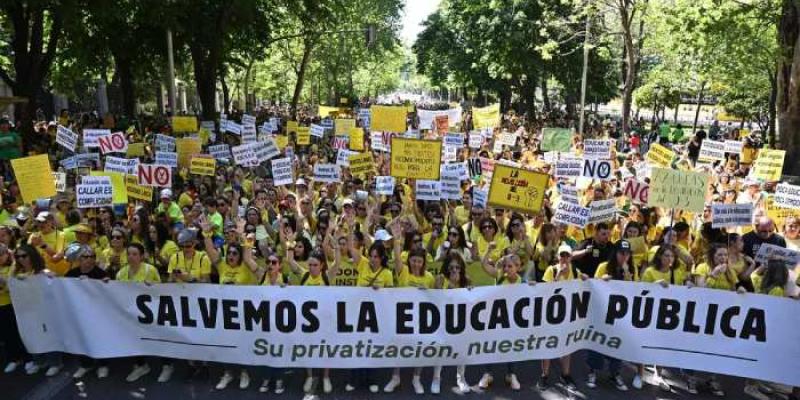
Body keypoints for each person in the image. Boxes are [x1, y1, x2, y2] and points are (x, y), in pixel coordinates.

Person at [537, 244, 583, 392]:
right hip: (551, 314)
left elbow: (584, 287)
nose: (564, 258)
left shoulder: (575, 271)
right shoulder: (551, 270)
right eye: (562, 255)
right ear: (558, 257)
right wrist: (558, 276)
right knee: (548, 344)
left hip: (568, 314)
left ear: (571, 257)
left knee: (567, 345)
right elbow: (546, 291)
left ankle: (566, 374)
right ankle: (544, 375)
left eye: (567, 255)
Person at [116, 243, 161, 383]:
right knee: (133, 339)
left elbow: (162, 290)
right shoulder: (121, 273)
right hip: (130, 314)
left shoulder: (150, 270)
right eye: (129, 254)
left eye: (135, 254)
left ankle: (167, 365)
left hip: (150, 314)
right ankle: (141, 365)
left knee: (160, 337)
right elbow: (115, 292)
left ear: (141, 256)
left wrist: (153, 286)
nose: (131, 257)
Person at [65, 245, 110, 379]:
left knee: (99, 339)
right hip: (78, 313)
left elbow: (108, 294)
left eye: (92, 256)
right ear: (79, 259)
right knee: (81, 338)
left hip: (97, 314)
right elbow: (62, 289)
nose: (89, 259)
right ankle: (85, 364)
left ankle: (103, 365)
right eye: (85, 256)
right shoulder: (71, 274)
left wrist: (103, 284)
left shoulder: (101, 274)